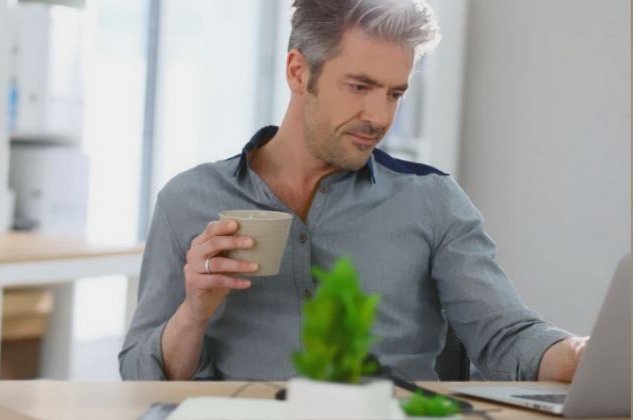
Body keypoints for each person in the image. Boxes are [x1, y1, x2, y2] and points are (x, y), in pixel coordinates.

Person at [119, 0, 587, 382]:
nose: (379, 117)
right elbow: (141, 378)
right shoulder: (188, 200)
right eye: (360, 86)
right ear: (299, 72)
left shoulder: (432, 202)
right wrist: (193, 313)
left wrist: (582, 354)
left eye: (394, 93)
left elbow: (506, 336)